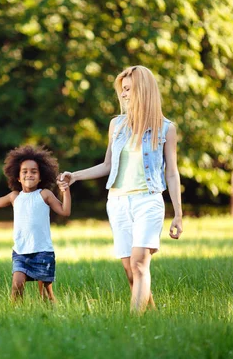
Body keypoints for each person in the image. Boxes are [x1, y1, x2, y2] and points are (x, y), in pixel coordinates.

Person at [58, 65, 183, 313]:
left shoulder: (166, 128)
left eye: (128, 89)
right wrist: (75, 176)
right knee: (130, 271)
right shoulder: (116, 126)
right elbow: (108, 164)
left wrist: (178, 213)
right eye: (122, 90)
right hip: (117, 202)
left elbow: (171, 171)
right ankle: (154, 318)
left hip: (148, 201)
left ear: (143, 90)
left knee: (139, 264)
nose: (123, 94)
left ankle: (133, 323)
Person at [0, 146, 71, 303]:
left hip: (43, 251)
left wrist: (65, 191)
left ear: (41, 176)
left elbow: (65, 211)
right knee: (17, 284)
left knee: (46, 295)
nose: (29, 174)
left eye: (34, 171)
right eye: (25, 172)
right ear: (18, 177)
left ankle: (52, 315)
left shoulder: (45, 194)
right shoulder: (14, 196)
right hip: (21, 252)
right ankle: (17, 314)